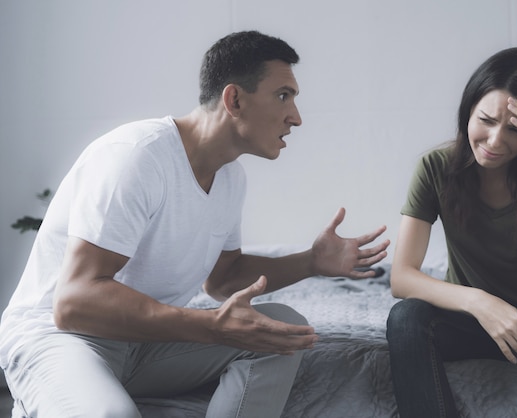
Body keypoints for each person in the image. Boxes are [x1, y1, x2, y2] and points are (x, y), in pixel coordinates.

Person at [0, 30, 389, 417]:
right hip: (61, 335)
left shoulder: (230, 177)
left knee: (282, 329)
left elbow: (223, 279)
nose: (296, 117)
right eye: (283, 95)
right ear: (234, 99)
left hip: (145, 341)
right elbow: (74, 303)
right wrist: (210, 326)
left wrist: (310, 262)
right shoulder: (137, 157)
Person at [386, 46, 517, 418]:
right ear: (468, 110)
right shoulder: (436, 167)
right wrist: (479, 301)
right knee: (406, 317)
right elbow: (402, 278)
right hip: (467, 321)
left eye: (515, 129)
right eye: (485, 119)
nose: (495, 141)